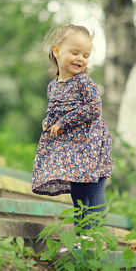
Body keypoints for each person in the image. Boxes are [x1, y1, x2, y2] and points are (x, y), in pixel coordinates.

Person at [32, 24, 113, 234]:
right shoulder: (53, 86)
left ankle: (95, 236)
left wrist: (64, 122)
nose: (80, 59)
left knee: (94, 192)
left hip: (91, 146)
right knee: (78, 195)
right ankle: (81, 236)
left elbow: (94, 108)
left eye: (86, 55)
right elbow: (54, 110)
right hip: (72, 152)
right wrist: (48, 122)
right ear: (57, 51)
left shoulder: (83, 82)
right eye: (74, 52)